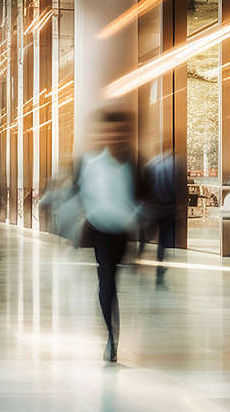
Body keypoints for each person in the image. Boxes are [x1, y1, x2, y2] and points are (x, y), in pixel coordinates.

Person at [74, 110, 147, 362]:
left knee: (112, 279)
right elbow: (77, 192)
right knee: (107, 281)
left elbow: (144, 199)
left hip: (124, 232)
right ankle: (111, 336)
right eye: (110, 130)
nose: (114, 136)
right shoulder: (89, 162)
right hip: (100, 231)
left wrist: (140, 245)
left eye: (120, 131)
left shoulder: (134, 163)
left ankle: (111, 335)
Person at [144, 149, 178, 287]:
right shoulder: (173, 164)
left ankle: (140, 256)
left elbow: (146, 185)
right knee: (163, 241)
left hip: (154, 207)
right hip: (168, 208)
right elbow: (177, 185)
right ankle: (159, 269)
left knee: (149, 235)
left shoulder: (151, 164)